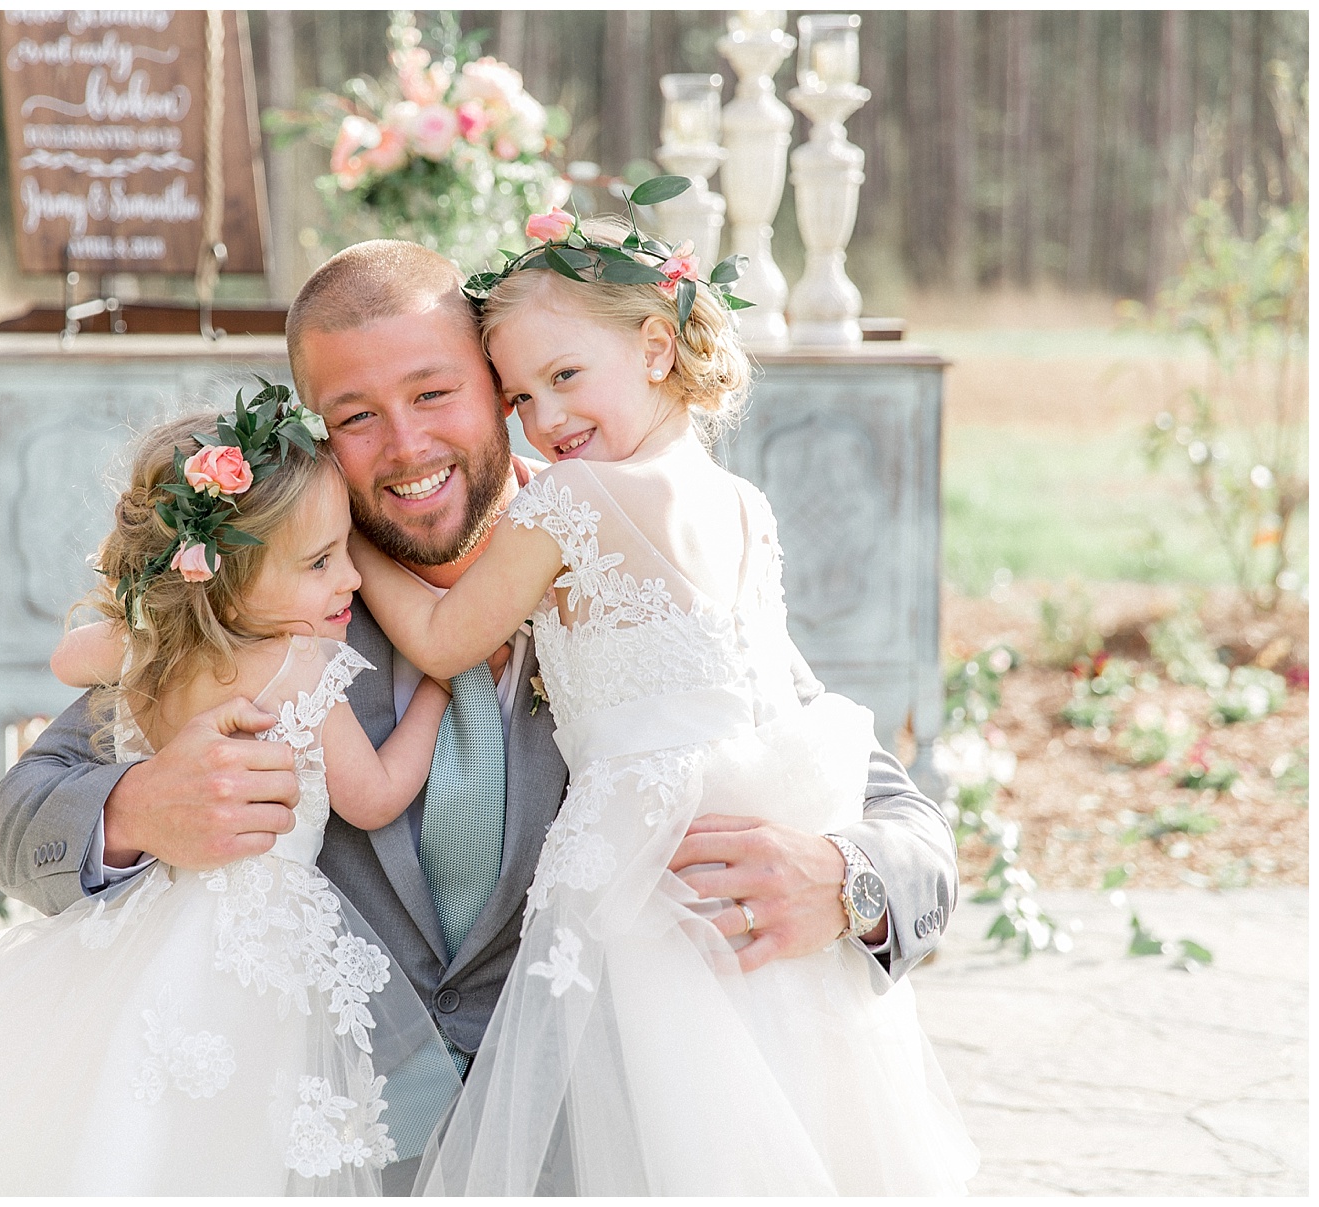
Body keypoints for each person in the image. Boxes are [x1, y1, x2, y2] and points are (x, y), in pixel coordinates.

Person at [0, 226, 962, 1194]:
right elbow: (22, 815)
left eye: (435, 393)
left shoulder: (631, 562)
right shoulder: (271, 606)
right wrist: (137, 812)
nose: (408, 445)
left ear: (503, 392)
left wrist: (846, 885)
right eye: (357, 415)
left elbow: (902, 825)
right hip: (323, 1137)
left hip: (596, 1145)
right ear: (319, 434)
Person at [347, 204, 978, 1193]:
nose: (545, 422)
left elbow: (436, 635)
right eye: (519, 399)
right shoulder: (742, 506)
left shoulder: (569, 502)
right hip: (747, 866)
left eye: (564, 378)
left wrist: (340, 541)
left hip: (645, 875)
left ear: (652, 346)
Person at [0, 392, 462, 1194]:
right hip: (263, 956)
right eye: (320, 562)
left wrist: (173, 618)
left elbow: (73, 654)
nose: (350, 575)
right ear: (229, 580)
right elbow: (375, 794)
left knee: (130, 1125)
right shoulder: (302, 666)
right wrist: (440, 691)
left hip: (146, 942)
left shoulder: (155, 656)